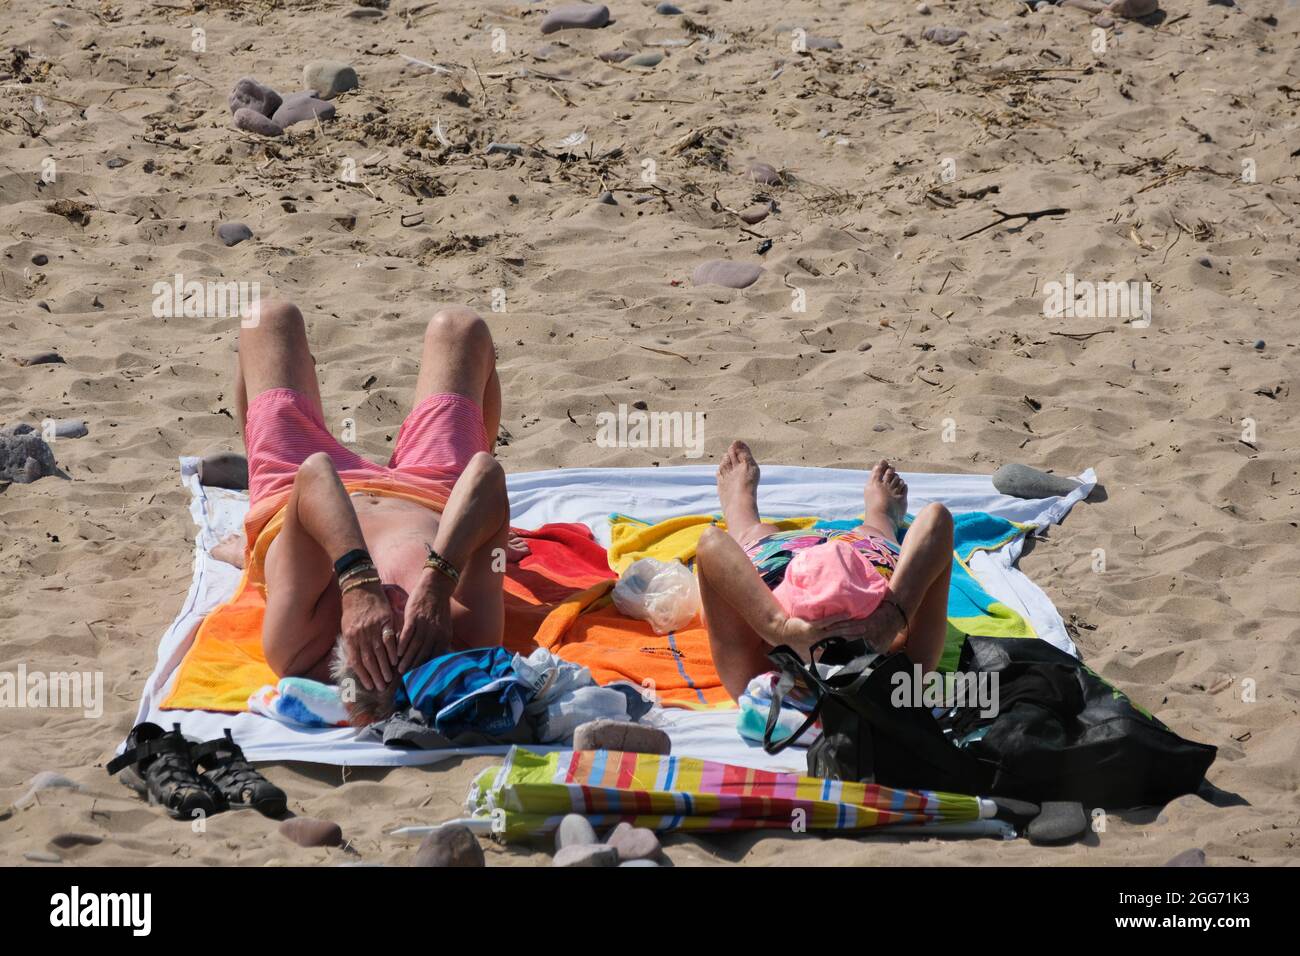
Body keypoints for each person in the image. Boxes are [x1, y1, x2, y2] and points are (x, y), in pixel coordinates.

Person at [233, 299, 514, 695]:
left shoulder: (299, 647)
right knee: (460, 327)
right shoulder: (461, 635)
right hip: (430, 494)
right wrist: (446, 572)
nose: (397, 606)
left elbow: (315, 474)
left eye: (384, 639)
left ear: (348, 647)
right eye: (407, 639)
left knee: (268, 318)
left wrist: (358, 584)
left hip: (293, 493)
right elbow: (485, 473)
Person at [696, 441, 954, 700]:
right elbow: (936, 519)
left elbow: (712, 543)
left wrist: (779, 627)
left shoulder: (758, 681)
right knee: (875, 532)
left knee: (751, 534)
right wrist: (890, 617)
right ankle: (882, 514)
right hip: (860, 560)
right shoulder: (904, 675)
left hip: (779, 568)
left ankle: (739, 505)